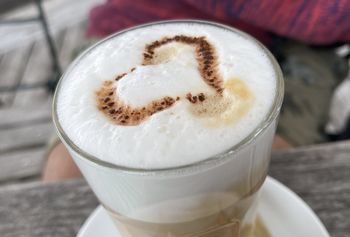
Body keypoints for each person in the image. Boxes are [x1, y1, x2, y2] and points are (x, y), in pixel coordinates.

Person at [42, 0, 350, 181]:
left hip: (296, 50)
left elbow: (322, 23)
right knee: (66, 173)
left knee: (267, 170)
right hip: (140, 20)